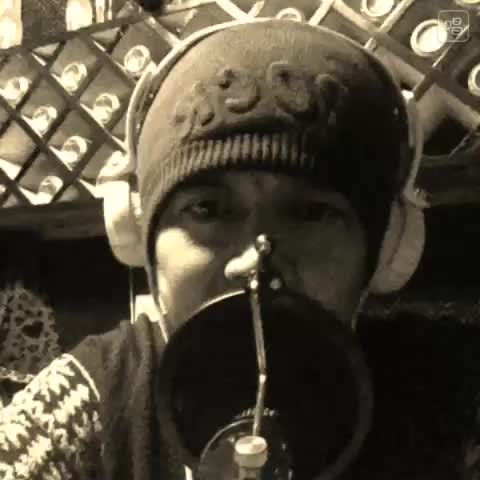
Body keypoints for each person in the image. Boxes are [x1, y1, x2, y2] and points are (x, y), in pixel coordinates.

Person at [1, 18, 479, 480]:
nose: (255, 261)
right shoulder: (83, 403)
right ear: (139, 234)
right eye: (208, 209)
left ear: (385, 249)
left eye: (310, 212)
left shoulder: (449, 387)